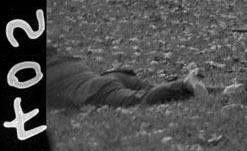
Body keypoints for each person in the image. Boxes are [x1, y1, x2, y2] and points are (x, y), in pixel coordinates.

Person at [47, 45, 206, 109]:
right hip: (115, 76)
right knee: (154, 88)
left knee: (139, 100)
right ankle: (222, 90)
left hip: (95, 90)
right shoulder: (63, 59)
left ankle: (186, 85)